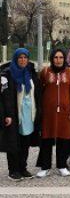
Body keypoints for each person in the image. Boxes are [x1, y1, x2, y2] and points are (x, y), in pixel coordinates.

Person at [36, 48, 70, 177]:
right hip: (48, 112)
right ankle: (45, 166)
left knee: (64, 138)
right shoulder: (45, 72)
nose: (58, 60)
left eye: (61, 57)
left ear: (64, 59)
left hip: (65, 112)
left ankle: (62, 165)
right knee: (46, 138)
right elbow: (39, 91)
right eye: (56, 57)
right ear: (51, 59)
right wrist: (40, 110)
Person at [1, 48, 41, 181]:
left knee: (25, 142)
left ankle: (22, 168)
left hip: (29, 113)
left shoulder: (30, 73)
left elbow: (36, 93)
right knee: (13, 142)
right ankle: (13, 170)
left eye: (25, 57)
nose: (23, 60)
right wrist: (7, 114)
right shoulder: (7, 74)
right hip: (14, 113)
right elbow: (5, 96)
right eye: (20, 57)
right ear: (15, 59)